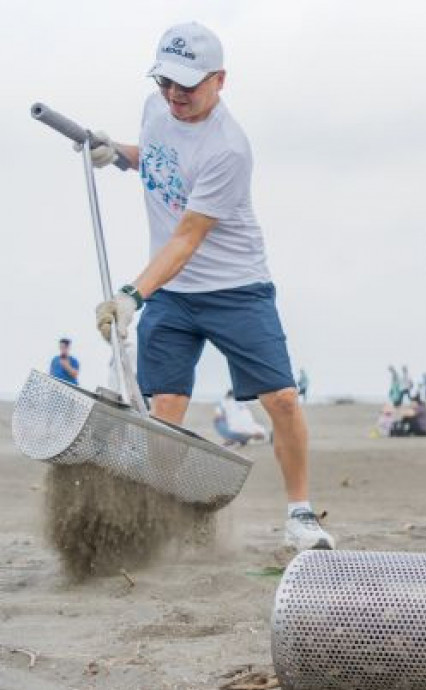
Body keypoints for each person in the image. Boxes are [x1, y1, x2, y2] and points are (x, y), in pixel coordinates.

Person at [89, 22, 332, 550]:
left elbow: (186, 238)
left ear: (219, 80)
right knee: (166, 407)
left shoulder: (230, 149)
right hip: (172, 293)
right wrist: (121, 155)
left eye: (188, 85)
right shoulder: (156, 110)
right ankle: (154, 513)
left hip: (235, 288)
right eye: (165, 82)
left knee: (283, 399)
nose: (174, 95)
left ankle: (300, 514)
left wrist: (133, 296)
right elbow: (162, 163)